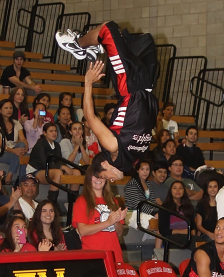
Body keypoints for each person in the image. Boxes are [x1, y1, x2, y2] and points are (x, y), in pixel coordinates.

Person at [56, 21, 158, 180]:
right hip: (147, 87)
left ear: (104, 165)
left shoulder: (111, 146)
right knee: (143, 39)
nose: (109, 180)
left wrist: (88, 83)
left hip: (129, 85)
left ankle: (78, 44)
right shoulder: (131, 160)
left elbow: (91, 117)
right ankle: (97, 44)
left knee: (108, 29)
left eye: (104, 177)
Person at [72, 163, 131, 277]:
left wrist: (117, 220)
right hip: (93, 259)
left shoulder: (113, 201)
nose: (98, 179)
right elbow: (83, 230)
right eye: (94, 176)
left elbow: (119, 232)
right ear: (88, 179)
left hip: (115, 257)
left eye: (101, 176)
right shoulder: (82, 201)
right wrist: (108, 222)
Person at [27, 122, 81, 203]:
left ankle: (73, 203)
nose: (54, 133)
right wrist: (62, 167)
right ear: (44, 133)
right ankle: (52, 203)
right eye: (51, 131)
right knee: (58, 172)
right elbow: (44, 163)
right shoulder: (40, 144)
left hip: (51, 169)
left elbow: (59, 161)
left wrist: (63, 166)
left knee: (76, 173)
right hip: (36, 171)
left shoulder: (56, 145)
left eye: (55, 131)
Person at [159, 180, 197, 250]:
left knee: (200, 242)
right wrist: (182, 231)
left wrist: (193, 231)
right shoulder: (165, 207)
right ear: (170, 191)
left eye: (181, 188)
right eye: (174, 188)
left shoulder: (188, 207)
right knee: (194, 242)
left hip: (187, 236)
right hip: (171, 238)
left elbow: (193, 226)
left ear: (184, 191)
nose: (178, 190)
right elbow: (163, 230)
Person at [124, 159, 158, 229]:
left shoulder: (148, 183)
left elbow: (152, 201)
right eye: (142, 169)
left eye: (147, 169)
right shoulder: (132, 184)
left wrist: (157, 211)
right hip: (133, 213)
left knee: (162, 219)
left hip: (146, 212)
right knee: (154, 222)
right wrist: (153, 213)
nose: (145, 172)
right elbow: (138, 204)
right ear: (137, 170)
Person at [0, 99, 28, 184]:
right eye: (6, 108)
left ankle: (20, 182)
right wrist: (13, 151)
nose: (9, 110)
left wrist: (25, 147)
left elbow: (23, 139)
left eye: (11, 108)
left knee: (24, 152)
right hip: (2, 152)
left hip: (13, 151)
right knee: (21, 155)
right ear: (0, 110)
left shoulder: (16, 123)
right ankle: (14, 179)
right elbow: (1, 144)